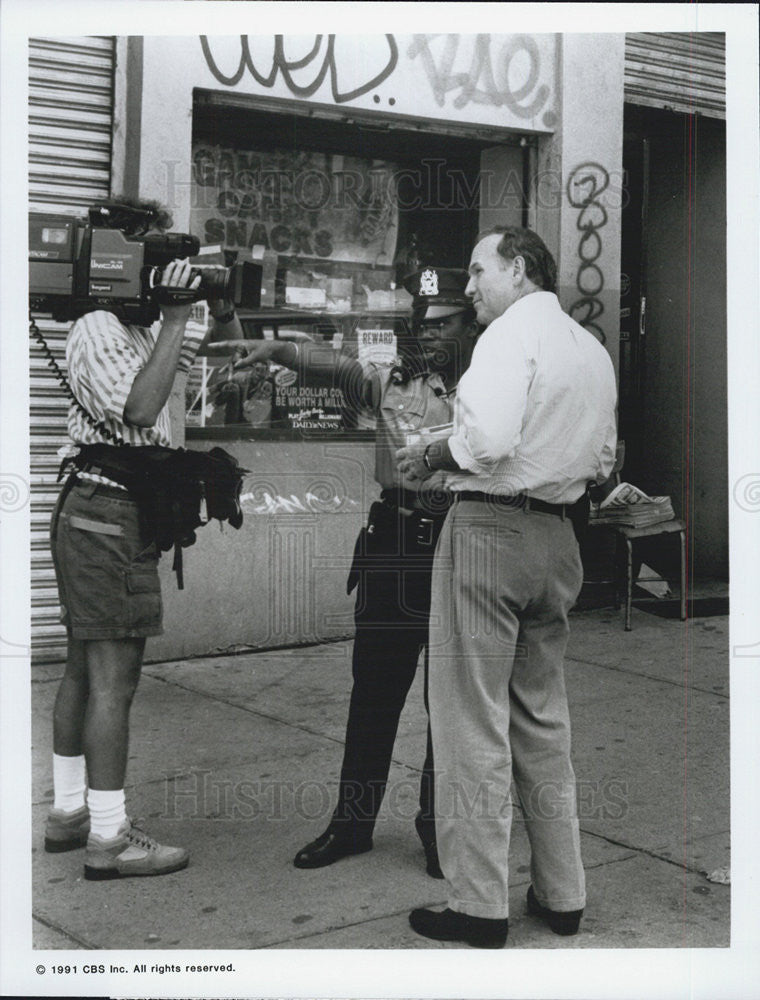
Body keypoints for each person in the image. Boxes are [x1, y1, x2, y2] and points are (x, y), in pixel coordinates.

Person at [396, 226, 617, 948]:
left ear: (517, 270)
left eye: (476, 270)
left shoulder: (505, 337)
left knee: (470, 721)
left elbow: (483, 443)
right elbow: (605, 458)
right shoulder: (588, 347)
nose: (467, 286)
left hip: (489, 529)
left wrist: (429, 450)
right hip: (558, 536)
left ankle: (479, 905)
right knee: (542, 719)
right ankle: (562, 894)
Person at [233, 268, 481, 876]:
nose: (430, 335)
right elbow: (335, 363)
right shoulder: (396, 377)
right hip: (394, 540)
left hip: (459, 540)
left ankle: (435, 828)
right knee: (374, 692)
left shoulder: (492, 385)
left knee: (446, 700)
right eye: (423, 323)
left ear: (471, 323)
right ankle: (352, 825)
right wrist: (276, 347)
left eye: (445, 323)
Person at [44, 197, 243, 880]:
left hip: (109, 513)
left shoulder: (138, 324)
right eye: (148, 251)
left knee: (82, 668)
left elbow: (198, 346)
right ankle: (108, 837)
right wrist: (178, 315)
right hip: (105, 516)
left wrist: (201, 298)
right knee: (111, 681)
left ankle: (70, 813)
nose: (157, 265)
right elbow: (138, 408)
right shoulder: (98, 325)